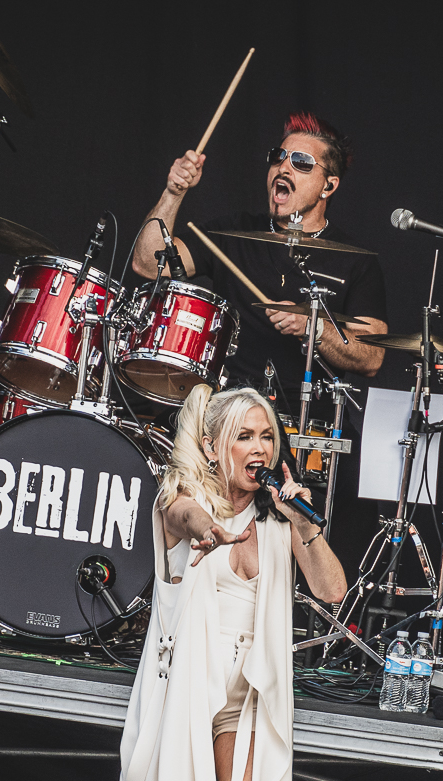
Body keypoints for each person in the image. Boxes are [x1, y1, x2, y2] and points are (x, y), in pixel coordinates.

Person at [87, 385, 346, 781]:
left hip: (246, 698)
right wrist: (211, 528)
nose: (260, 449)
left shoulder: (281, 521)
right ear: (213, 446)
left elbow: (332, 590)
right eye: (245, 437)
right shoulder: (183, 498)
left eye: (267, 437)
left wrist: (304, 521)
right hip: (180, 692)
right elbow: (182, 520)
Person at [130, 112, 389, 574]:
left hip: (304, 426)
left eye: (301, 162)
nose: (282, 168)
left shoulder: (357, 261)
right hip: (226, 419)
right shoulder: (235, 233)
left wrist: (314, 327)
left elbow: (372, 356)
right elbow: (150, 266)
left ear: (328, 186)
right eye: (278, 157)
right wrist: (174, 193)